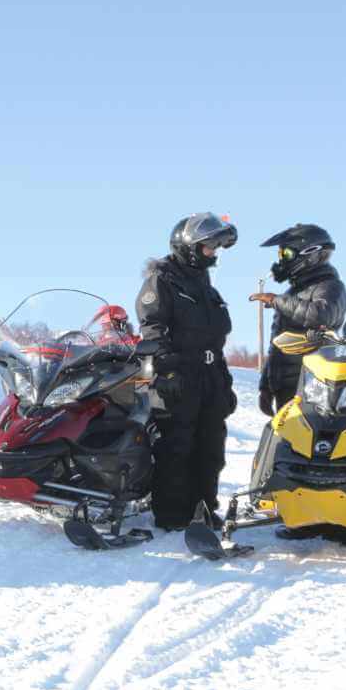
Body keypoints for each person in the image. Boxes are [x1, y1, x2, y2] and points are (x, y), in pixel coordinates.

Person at [135, 213, 238, 530]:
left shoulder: (205, 285)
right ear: (189, 246)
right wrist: (165, 372)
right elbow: (152, 329)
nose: (213, 253)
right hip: (178, 374)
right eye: (208, 246)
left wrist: (224, 380)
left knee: (211, 446)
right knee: (177, 446)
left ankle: (204, 511)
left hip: (209, 376)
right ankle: (172, 515)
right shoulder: (163, 279)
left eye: (216, 247)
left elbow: (215, 337)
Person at [252, 224, 346, 417]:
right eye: (280, 254)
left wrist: (276, 300)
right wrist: (266, 386)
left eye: (286, 254)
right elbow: (278, 344)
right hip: (286, 389)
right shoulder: (293, 293)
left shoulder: (331, 287)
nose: (281, 260)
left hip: (314, 387)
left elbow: (322, 315)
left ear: (311, 254)